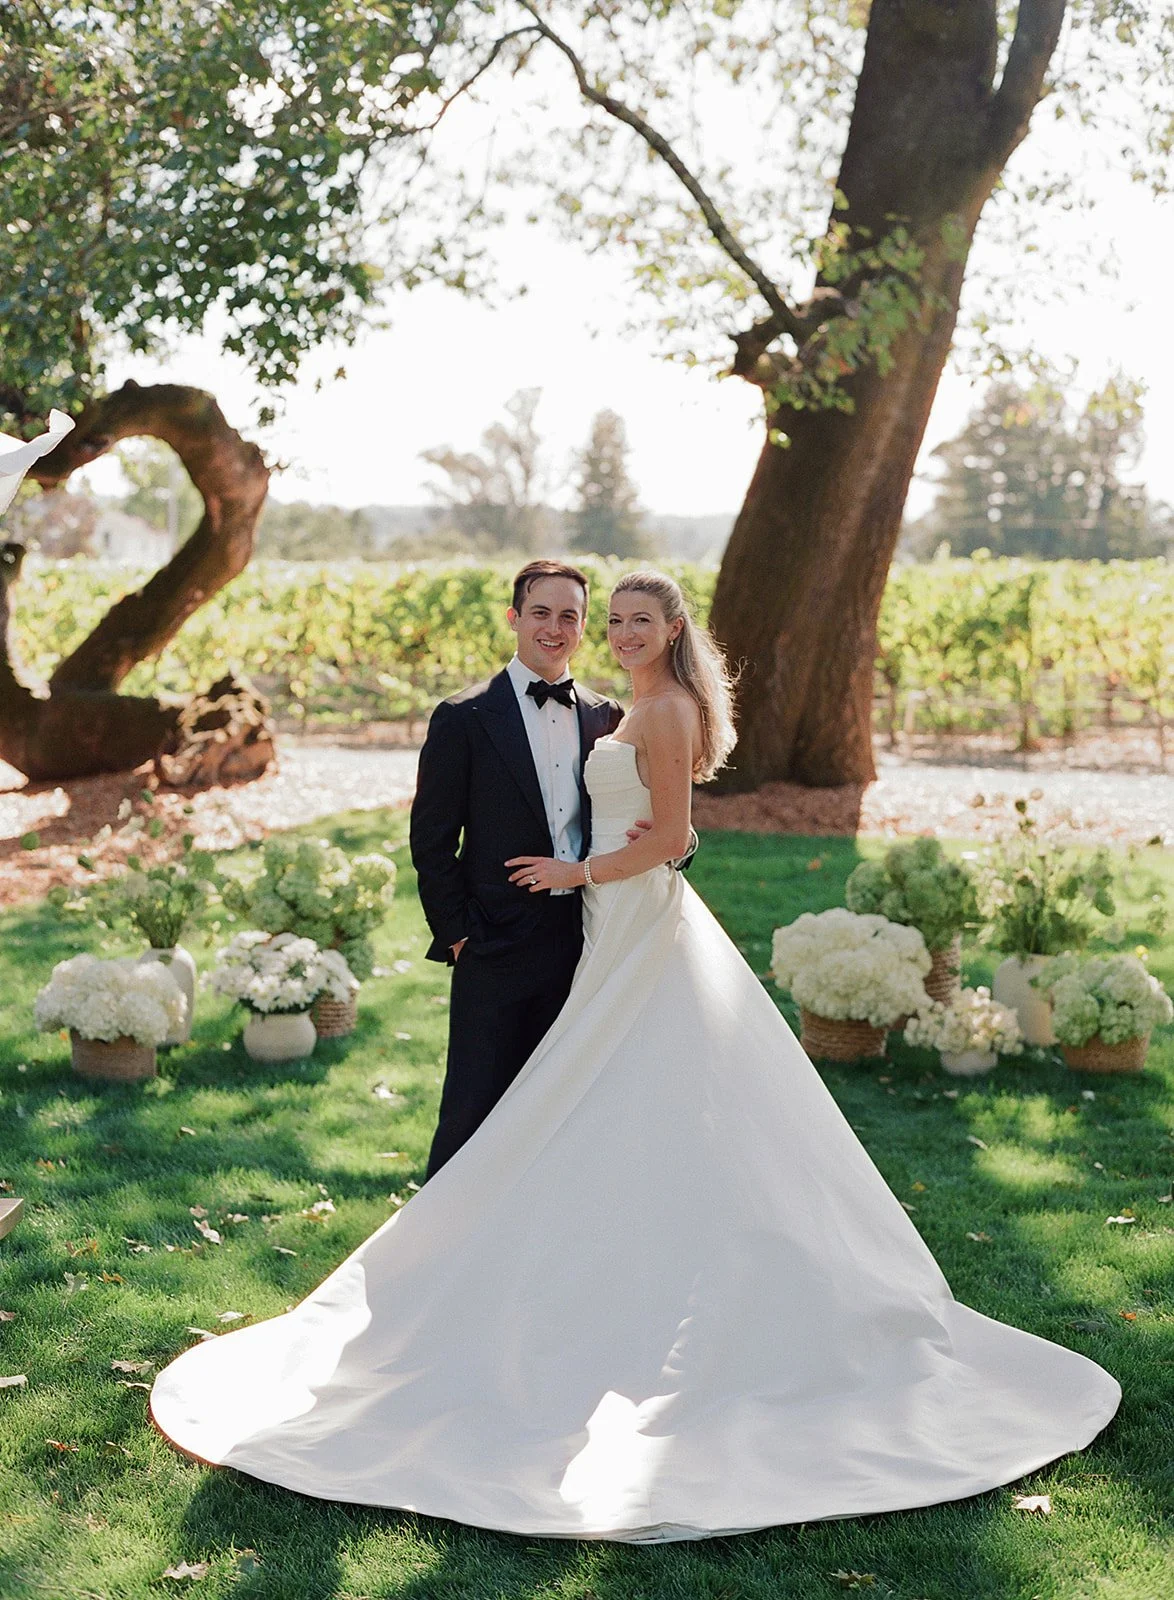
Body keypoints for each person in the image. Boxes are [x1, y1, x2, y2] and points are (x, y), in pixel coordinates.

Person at [151, 571, 1120, 1542]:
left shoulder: (657, 709)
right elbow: (447, 835)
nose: (608, 632)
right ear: (536, 622)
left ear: (672, 626)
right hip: (586, 926)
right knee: (571, 1097)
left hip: (625, 915)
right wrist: (478, 924)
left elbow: (676, 835)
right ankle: (484, 1272)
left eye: (628, 619)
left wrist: (582, 870)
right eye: (600, 619)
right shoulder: (598, 708)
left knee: (638, 1086)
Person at [408, 559, 623, 1177]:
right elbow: (431, 839)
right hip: (491, 939)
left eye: (569, 616)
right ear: (514, 618)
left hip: (583, 939)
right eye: (540, 613)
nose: (554, 628)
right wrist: (458, 934)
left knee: (563, 1103)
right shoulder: (464, 717)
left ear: (583, 627)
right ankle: (441, 1248)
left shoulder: (606, 717)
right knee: (473, 1107)